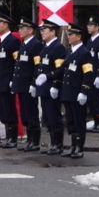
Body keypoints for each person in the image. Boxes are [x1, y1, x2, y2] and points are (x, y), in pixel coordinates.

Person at [57, 23, 95, 158]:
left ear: (78, 36)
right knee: (71, 121)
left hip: (77, 93)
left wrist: (84, 91)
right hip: (68, 92)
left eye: (71, 34)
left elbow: (88, 74)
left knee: (79, 121)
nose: (68, 37)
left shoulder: (84, 53)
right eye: (68, 34)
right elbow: (63, 70)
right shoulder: (70, 51)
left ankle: (79, 147)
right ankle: (73, 146)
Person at [34, 19, 66, 155]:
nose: (42, 32)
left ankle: (57, 144)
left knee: (54, 117)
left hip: (52, 87)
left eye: (45, 30)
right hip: (44, 87)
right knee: (48, 117)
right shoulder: (45, 47)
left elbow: (60, 69)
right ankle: (53, 143)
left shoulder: (58, 47)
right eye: (41, 30)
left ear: (53, 32)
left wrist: (55, 84)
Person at [11, 17, 43, 152]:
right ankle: (29, 140)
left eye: (22, 28)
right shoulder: (23, 44)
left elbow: (37, 66)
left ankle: (34, 141)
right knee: (24, 113)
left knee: (31, 113)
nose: (19, 31)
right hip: (21, 84)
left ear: (30, 30)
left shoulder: (35, 44)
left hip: (29, 84)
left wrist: (33, 83)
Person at [0, 14, 21, 148]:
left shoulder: (12, 41)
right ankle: (7, 136)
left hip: (7, 81)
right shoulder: (1, 40)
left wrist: (13, 80)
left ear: (6, 25)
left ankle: (12, 138)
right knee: (2, 110)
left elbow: (17, 62)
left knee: (9, 109)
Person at [85, 16, 99, 133]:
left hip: (96, 76)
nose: (88, 27)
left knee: (97, 101)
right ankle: (95, 122)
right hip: (89, 75)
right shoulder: (89, 41)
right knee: (91, 100)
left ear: (97, 27)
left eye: (91, 25)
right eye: (88, 25)